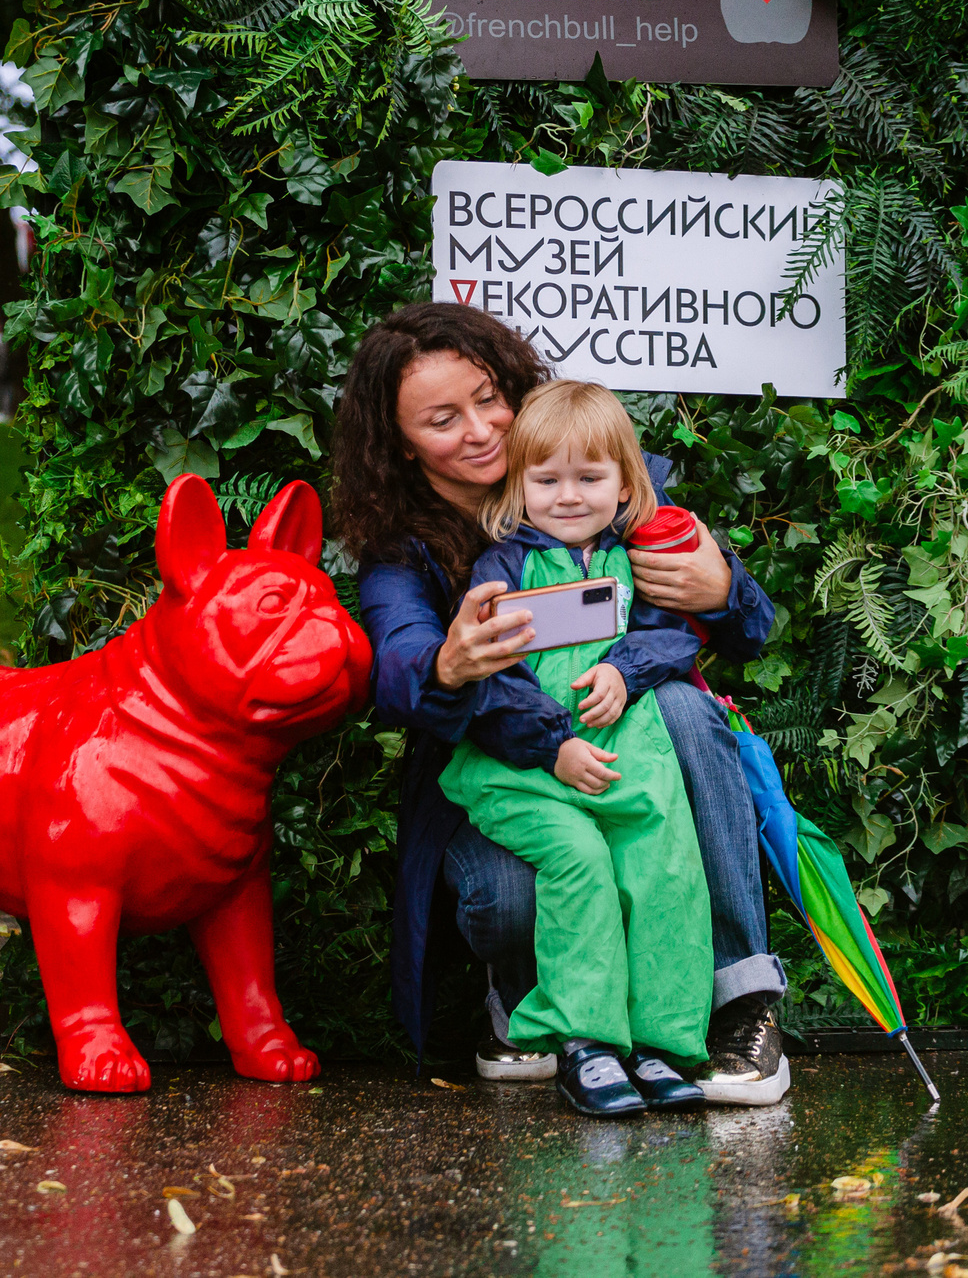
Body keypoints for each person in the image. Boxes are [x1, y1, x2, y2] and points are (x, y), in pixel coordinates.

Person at [333, 302, 792, 1104]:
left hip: (623, 736)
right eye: (443, 419)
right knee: (516, 894)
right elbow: (397, 662)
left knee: (685, 716)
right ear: (401, 444)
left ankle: (739, 1002)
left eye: (486, 398)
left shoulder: (600, 475)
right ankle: (530, 997)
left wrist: (724, 589)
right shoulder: (404, 547)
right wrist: (448, 662)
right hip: (508, 761)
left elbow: (742, 628)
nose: (479, 430)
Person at [440, 380, 714, 1116]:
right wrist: (554, 743)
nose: (567, 495)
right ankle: (586, 1041)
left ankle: (660, 1042)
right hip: (524, 769)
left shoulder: (638, 553)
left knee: (665, 861)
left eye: (588, 477)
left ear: (625, 480)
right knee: (581, 861)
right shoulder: (505, 566)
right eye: (546, 478)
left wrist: (625, 672)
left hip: (623, 757)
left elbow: (672, 631)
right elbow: (493, 682)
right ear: (518, 483)